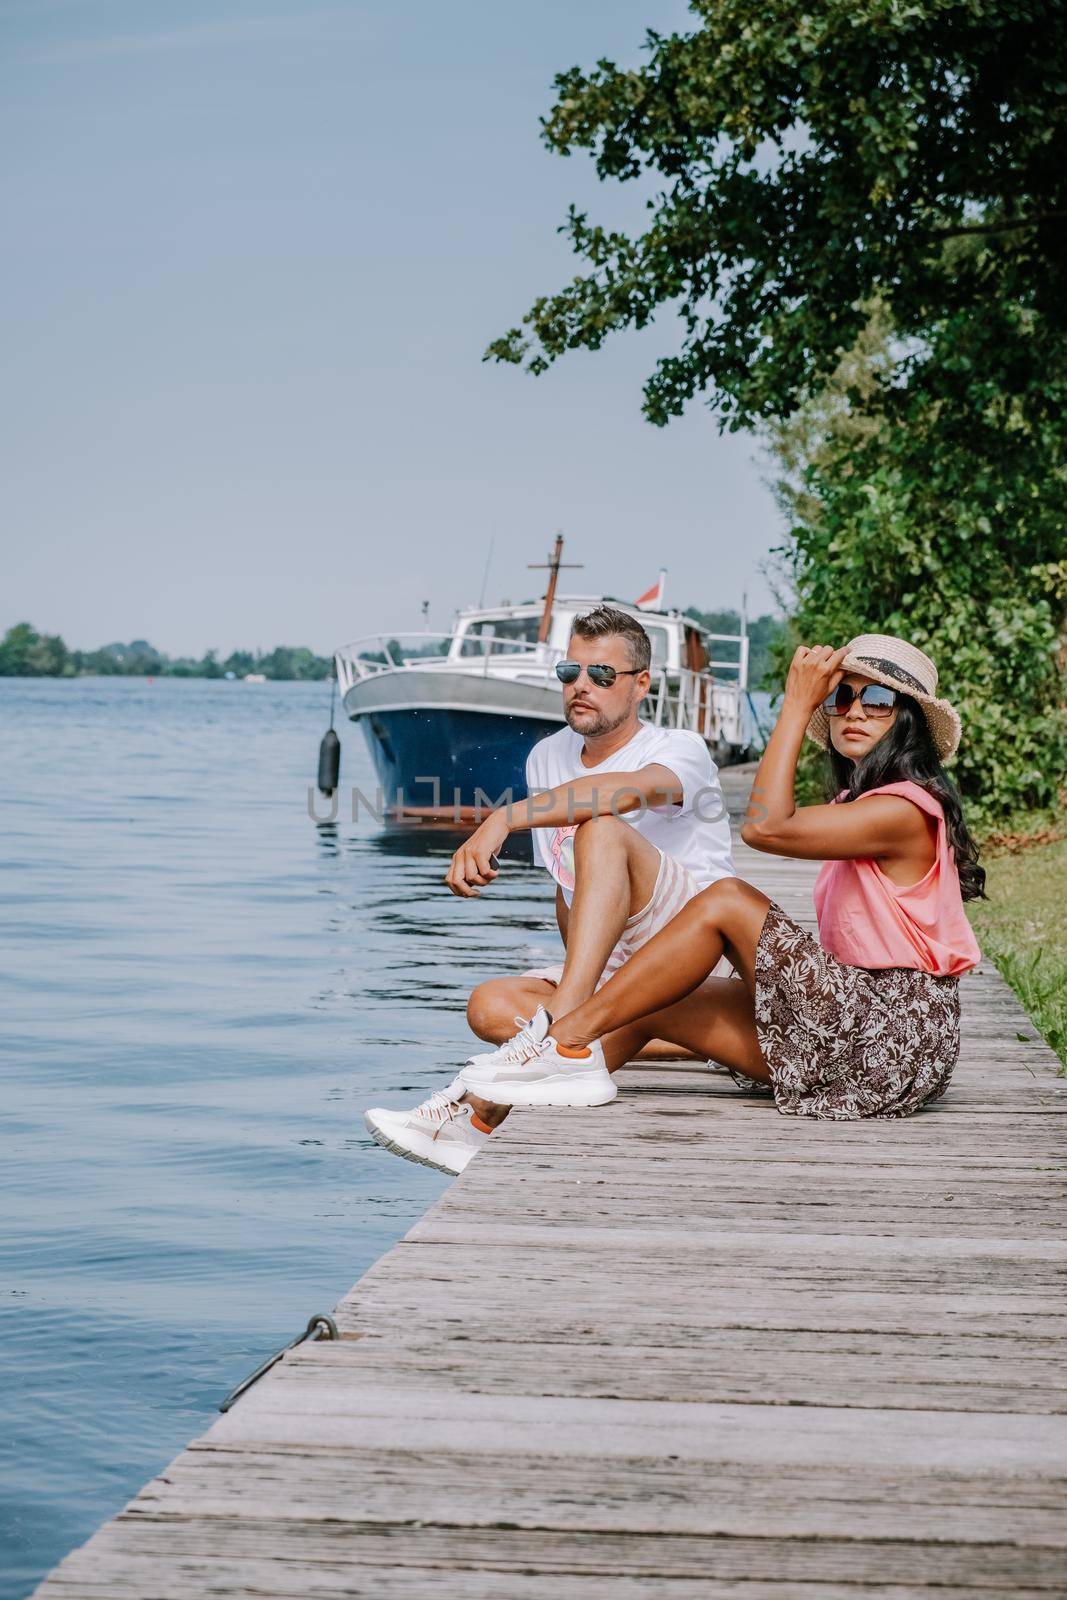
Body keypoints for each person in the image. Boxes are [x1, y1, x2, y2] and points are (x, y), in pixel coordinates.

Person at [460, 633, 984, 1121]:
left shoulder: (906, 812)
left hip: (893, 1034)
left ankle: (561, 1038)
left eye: (877, 699)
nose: (854, 711)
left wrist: (797, 706)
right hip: (851, 1025)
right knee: (646, 998)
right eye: (840, 699)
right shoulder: (858, 804)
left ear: (908, 719)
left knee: (726, 898)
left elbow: (765, 827)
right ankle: (484, 1111)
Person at [364, 605, 735, 1172]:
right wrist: (583, 976)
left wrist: (504, 818)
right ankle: (644, 1030)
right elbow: (567, 888)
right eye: (570, 672)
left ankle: (501, 1086)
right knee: (489, 1006)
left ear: (641, 685)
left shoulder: (681, 748)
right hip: (615, 968)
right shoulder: (546, 757)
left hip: (687, 950)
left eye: (602, 675)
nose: (581, 686)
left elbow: (621, 794)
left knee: (602, 830)